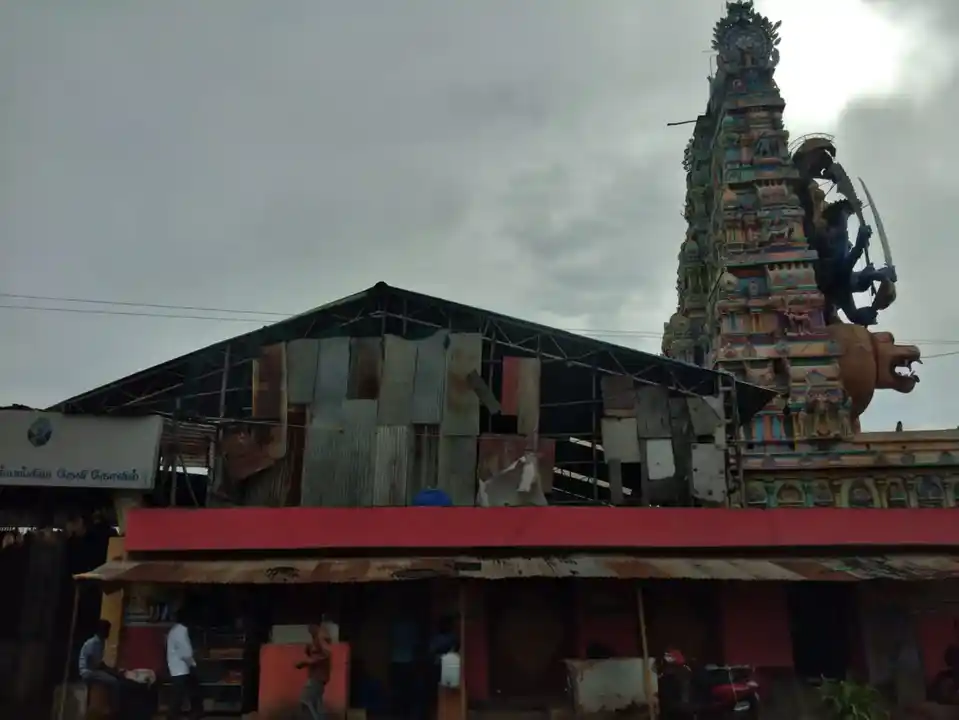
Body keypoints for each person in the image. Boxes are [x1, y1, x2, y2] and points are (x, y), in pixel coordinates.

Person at [78, 620, 122, 707]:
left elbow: (98, 662)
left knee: (114, 677)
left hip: (93, 670)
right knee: (114, 682)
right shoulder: (93, 643)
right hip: (88, 671)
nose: (108, 633)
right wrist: (109, 671)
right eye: (107, 630)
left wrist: (111, 670)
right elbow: (93, 663)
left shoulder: (100, 642)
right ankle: (112, 707)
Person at [166, 612, 201, 719]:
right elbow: (187, 652)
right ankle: (173, 715)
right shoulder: (181, 631)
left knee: (185, 691)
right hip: (180, 667)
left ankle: (192, 712)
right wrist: (193, 663)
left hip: (177, 666)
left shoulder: (175, 630)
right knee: (180, 693)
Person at [296, 622, 333, 720]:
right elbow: (311, 655)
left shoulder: (322, 644)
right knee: (316, 703)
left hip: (317, 678)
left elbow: (322, 656)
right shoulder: (315, 643)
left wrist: (305, 663)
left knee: (306, 700)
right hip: (316, 677)